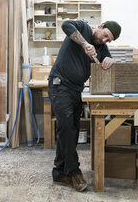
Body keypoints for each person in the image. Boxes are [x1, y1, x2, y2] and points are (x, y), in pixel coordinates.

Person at [48, 20, 121, 192]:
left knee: (70, 130)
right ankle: (74, 172)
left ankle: (59, 173)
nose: (104, 41)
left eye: (108, 40)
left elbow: (106, 62)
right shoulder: (82, 28)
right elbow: (66, 25)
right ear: (101, 26)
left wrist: (110, 61)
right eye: (105, 36)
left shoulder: (102, 48)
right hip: (60, 84)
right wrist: (84, 43)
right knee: (66, 128)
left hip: (76, 90)